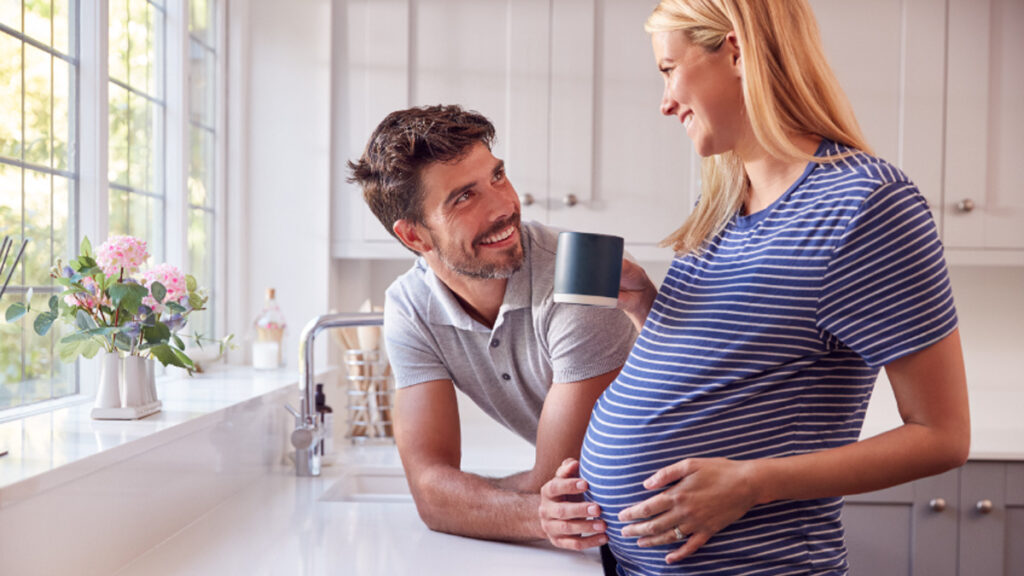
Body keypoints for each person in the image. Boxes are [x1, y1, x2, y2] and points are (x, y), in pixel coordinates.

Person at [537, 1, 970, 574]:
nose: (665, 103)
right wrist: (647, 309)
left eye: (669, 69)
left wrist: (752, 482)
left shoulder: (865, 205)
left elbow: (942, 435)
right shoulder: (719, 203)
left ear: (736, 51)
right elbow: (731, 372)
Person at [347, 104, 637, 542]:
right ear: (414, 236)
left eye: (497, 176)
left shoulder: (581, 277)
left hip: (696, 508)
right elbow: (430, 494)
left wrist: (465, 498)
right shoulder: (409, 308)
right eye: (464, 196)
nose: (505, 206)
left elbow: (561, 482)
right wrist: (455, 497)